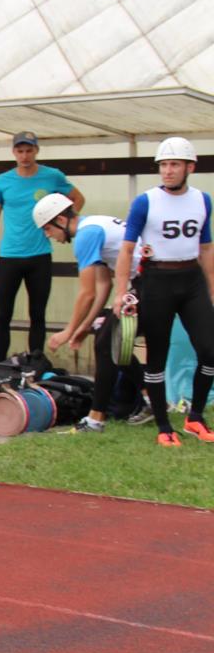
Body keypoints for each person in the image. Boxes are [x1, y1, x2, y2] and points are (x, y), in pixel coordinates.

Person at [110, 138, 214, 447]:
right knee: (157, 357)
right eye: (163, 165)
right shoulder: (145, 201)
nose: (167, 171)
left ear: (189, 167)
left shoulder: (203, 200)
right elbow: (127, 250)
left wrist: (211, 289)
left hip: (192, 279)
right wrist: (120, 294)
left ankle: (195, 417)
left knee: (209, 351)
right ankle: (164, 426)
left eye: (174, 165)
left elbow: (206, 248)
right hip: (156, 280)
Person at [34, 194, 149, 431]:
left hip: (150, 282)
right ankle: (152, 399)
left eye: (47, 228)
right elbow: (103, 286)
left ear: (61, 220)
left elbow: (86, 293)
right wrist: (84, 327)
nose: (48, 235)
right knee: (107, 338)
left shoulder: (85, 235)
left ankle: (97, 419)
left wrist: (68, 331)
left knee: (107, 342)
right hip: (146, 282)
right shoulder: (94, 225)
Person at [0, 132, 84, 361]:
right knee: (3, 315)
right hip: (9, 255)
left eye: (29, 150)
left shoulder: (52, 176)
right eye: (20, 151)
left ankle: (34, 364)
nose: (25, 156)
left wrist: (64, 223)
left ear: (36, 151)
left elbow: (78, 198)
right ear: (13, 152)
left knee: (37, 314)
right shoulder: (3, 181)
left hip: (40, 255)